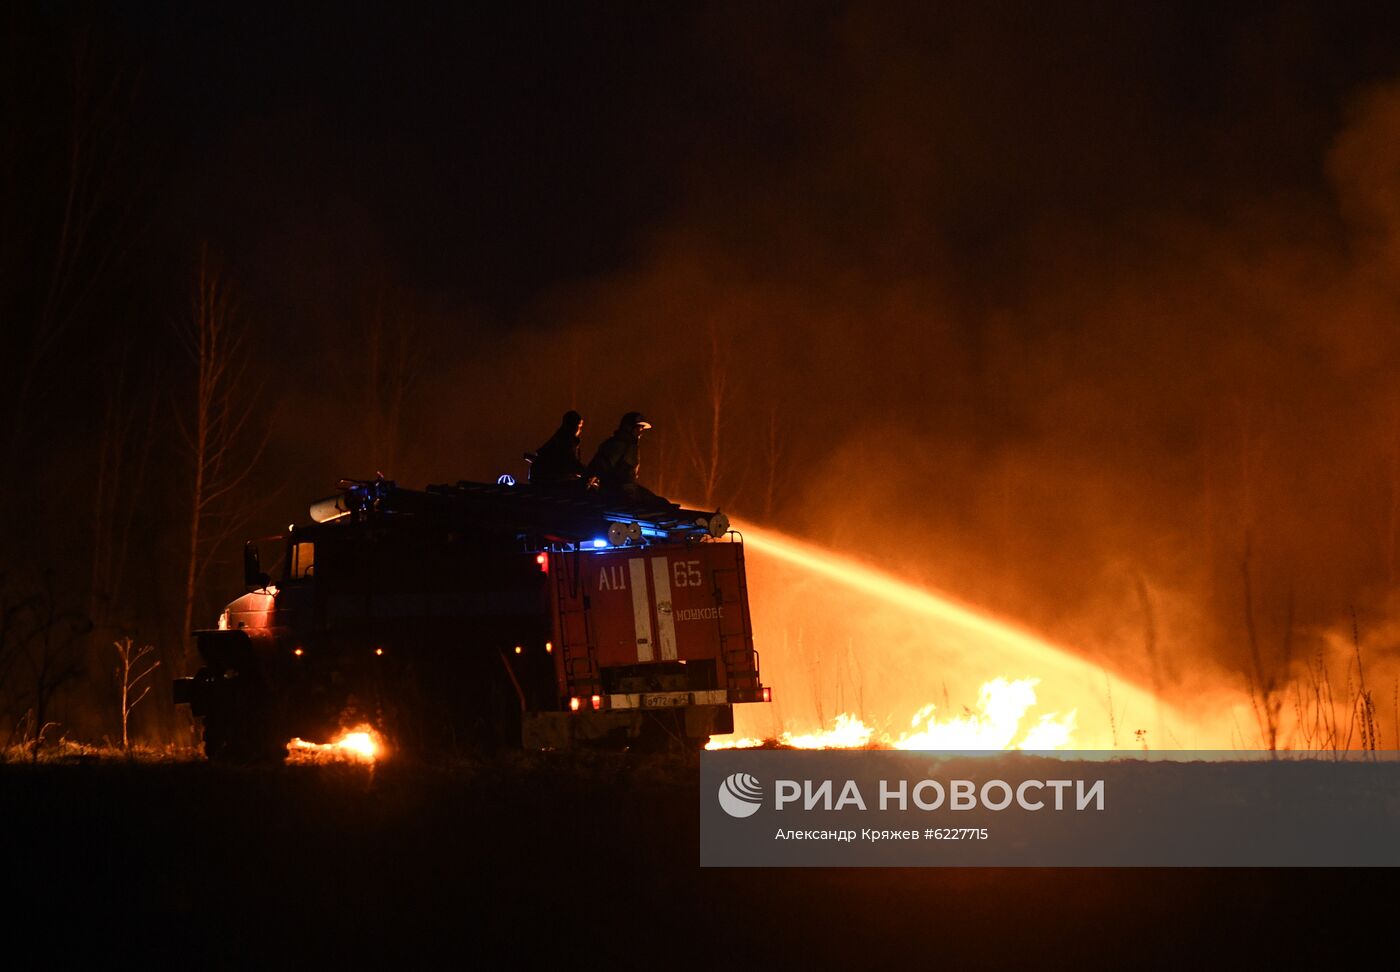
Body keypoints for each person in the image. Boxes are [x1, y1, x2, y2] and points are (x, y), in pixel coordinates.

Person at [587, 411, 670, 506]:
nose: (641, 431)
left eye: (642, 428)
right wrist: (588, 484)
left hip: (628, 490)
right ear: (629, 428)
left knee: (662, 504)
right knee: (661, 505)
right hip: (618, 492)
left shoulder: (630, 445)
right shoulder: (618, 444)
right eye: (639, 427)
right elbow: (599, 466)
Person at [528, 410, 586, 486]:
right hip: (548, 480)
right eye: (579, 426)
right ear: (572, 425)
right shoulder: (565, 441)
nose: (580, 430)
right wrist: (589, 473)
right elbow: (571, 463)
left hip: (545, 478)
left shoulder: (561, 438)